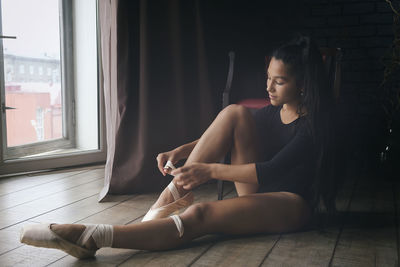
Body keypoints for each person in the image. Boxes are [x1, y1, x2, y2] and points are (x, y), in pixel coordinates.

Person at [20, 34, 339, 259]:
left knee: (200, 214)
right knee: (235, 113)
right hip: (258, 190)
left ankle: (94, 236)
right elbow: (230, 132)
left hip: (291, 204)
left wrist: (208, 171)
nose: (268, 87)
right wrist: (183, 152)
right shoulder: (275, 110)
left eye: (279, 81)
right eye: (268, 77)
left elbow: (270, 170)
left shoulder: (314, 125)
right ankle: (159, 209)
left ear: (303, 83)